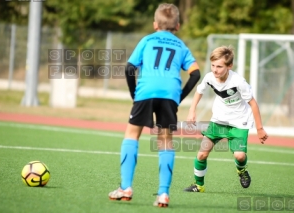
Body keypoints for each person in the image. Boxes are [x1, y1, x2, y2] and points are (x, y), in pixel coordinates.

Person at [108, 3, 201, 207]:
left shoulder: (147, 40)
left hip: (146, 91)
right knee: (165, 141)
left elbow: (129, 68)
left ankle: (125, 187)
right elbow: (196, 73)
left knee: (132, 135)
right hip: (169, 94)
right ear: (177, 26)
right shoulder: (181, 46)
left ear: (154, 24)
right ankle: (163, 194)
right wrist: (180, 97)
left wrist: (135, 94)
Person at [183, 45, 268, 193]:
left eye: (220, 66)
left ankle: (241, 171)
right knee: (202, 153)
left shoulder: (238, 82)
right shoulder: (210, 77)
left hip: (239, 122)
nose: (215, 69)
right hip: (218, 120)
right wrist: (192, 110)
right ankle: (199, 185)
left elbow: (253, 104)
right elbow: (199, 91)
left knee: (240, 156)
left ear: (229, 66)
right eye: (213, 65)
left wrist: (260, 129)